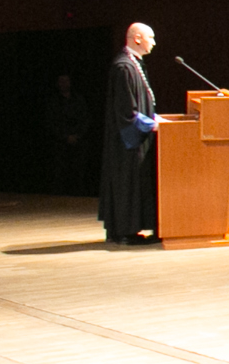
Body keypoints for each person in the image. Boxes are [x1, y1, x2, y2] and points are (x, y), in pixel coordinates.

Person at [100, 21, 161, 244]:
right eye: (150, 38)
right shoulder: (124, 67)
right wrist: (151, 125)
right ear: (137, 39)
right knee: (127, 183)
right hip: (127, 142)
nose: (154, 42)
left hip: (137, 138)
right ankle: (126, 232)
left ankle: (127, 230)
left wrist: (155, 118)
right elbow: (126, 111)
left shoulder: (135, 64)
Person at [45, 72, 93, 195]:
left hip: (78, 141)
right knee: (59, 172)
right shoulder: (53, 101)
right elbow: (52, 121)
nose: (64, 84)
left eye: (66, 81)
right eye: (61, 81)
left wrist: (77, 135)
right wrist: (65, 136)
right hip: (60, 142)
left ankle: (78, 197)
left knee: (78, 172)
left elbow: (85, 119)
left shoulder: (78, 99)